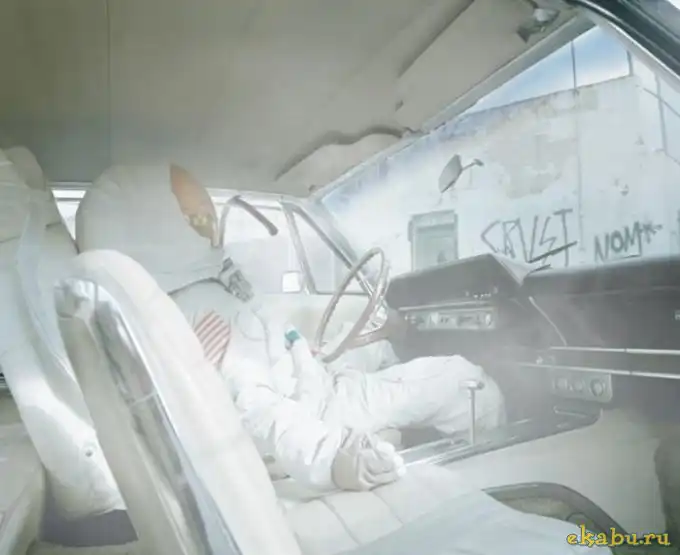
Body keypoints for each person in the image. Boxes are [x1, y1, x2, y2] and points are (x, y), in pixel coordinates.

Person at [75, 164, 505, 492]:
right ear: (153, 231)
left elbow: (269, 354)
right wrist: (331, 458)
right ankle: (496, 472)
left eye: (211, 220)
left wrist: (315, 351)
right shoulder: (204, 314)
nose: (213, 234)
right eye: (197, 221)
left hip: (311, 383)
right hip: (317, 410)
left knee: (377, 349)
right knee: (462, 378)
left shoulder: (184, 299)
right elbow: (254, 406)